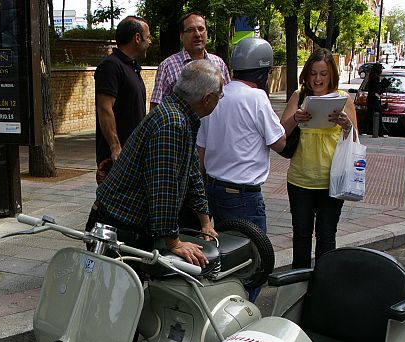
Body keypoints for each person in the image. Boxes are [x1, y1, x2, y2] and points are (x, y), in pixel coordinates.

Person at [87, 60, 223, 267]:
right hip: (116, 225)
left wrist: (205, 221)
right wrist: (174, 242)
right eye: (219, 95)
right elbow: (164, 189)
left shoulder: (182, 115)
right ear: (206, 99)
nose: (220, 99)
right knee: (118, 286)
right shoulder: (172, 123)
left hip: (127, 222)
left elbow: (193, 172)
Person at [196, 38, 285, 300]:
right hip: (244, 197)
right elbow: (280, 143)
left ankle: (223, 303)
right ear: (264, 71)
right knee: (254, 263)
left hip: (213, 190)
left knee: (225, 257)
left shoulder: (216, 96)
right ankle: (245, 311)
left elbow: (201, 152)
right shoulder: (256, 98)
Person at [281, 48, 359, 269]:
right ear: (306, 75)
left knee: (326, 236)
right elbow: (281, 133)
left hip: (332, 181)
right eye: (313, 73)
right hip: (300, 180)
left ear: (331, 75)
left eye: (323, 74)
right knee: (301, 235)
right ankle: (299, 283)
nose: (318, 79)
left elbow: (355, 139)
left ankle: (324, 282)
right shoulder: (299, 96)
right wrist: (295, 118)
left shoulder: (343, 99)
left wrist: (346, 125)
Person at [94, 16, 151, 167]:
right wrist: (115, 148)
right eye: (148, 37)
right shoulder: (111, 66)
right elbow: (104, 108)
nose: (149, 42)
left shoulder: (131, 67)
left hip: (134, 156)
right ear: (137, 38)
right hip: (118, 159)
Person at [149, 12, 230, 109]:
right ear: (181, 35)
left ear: (207, 32)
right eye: (191, 30)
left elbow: (228, 98)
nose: (197, 34)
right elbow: (156, 106)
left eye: (201, 29)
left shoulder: (219, 64)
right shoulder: (167, 66)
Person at [363, 62, 389, 135]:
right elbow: (377, 89)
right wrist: (383, 84)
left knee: (371, 115)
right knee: (376, 115)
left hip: (372, 99)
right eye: (380, 69)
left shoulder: (372, 77)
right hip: (373, 100)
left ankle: (372, 130)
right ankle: (378, 131)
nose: (381, 71)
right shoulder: (375, 78)